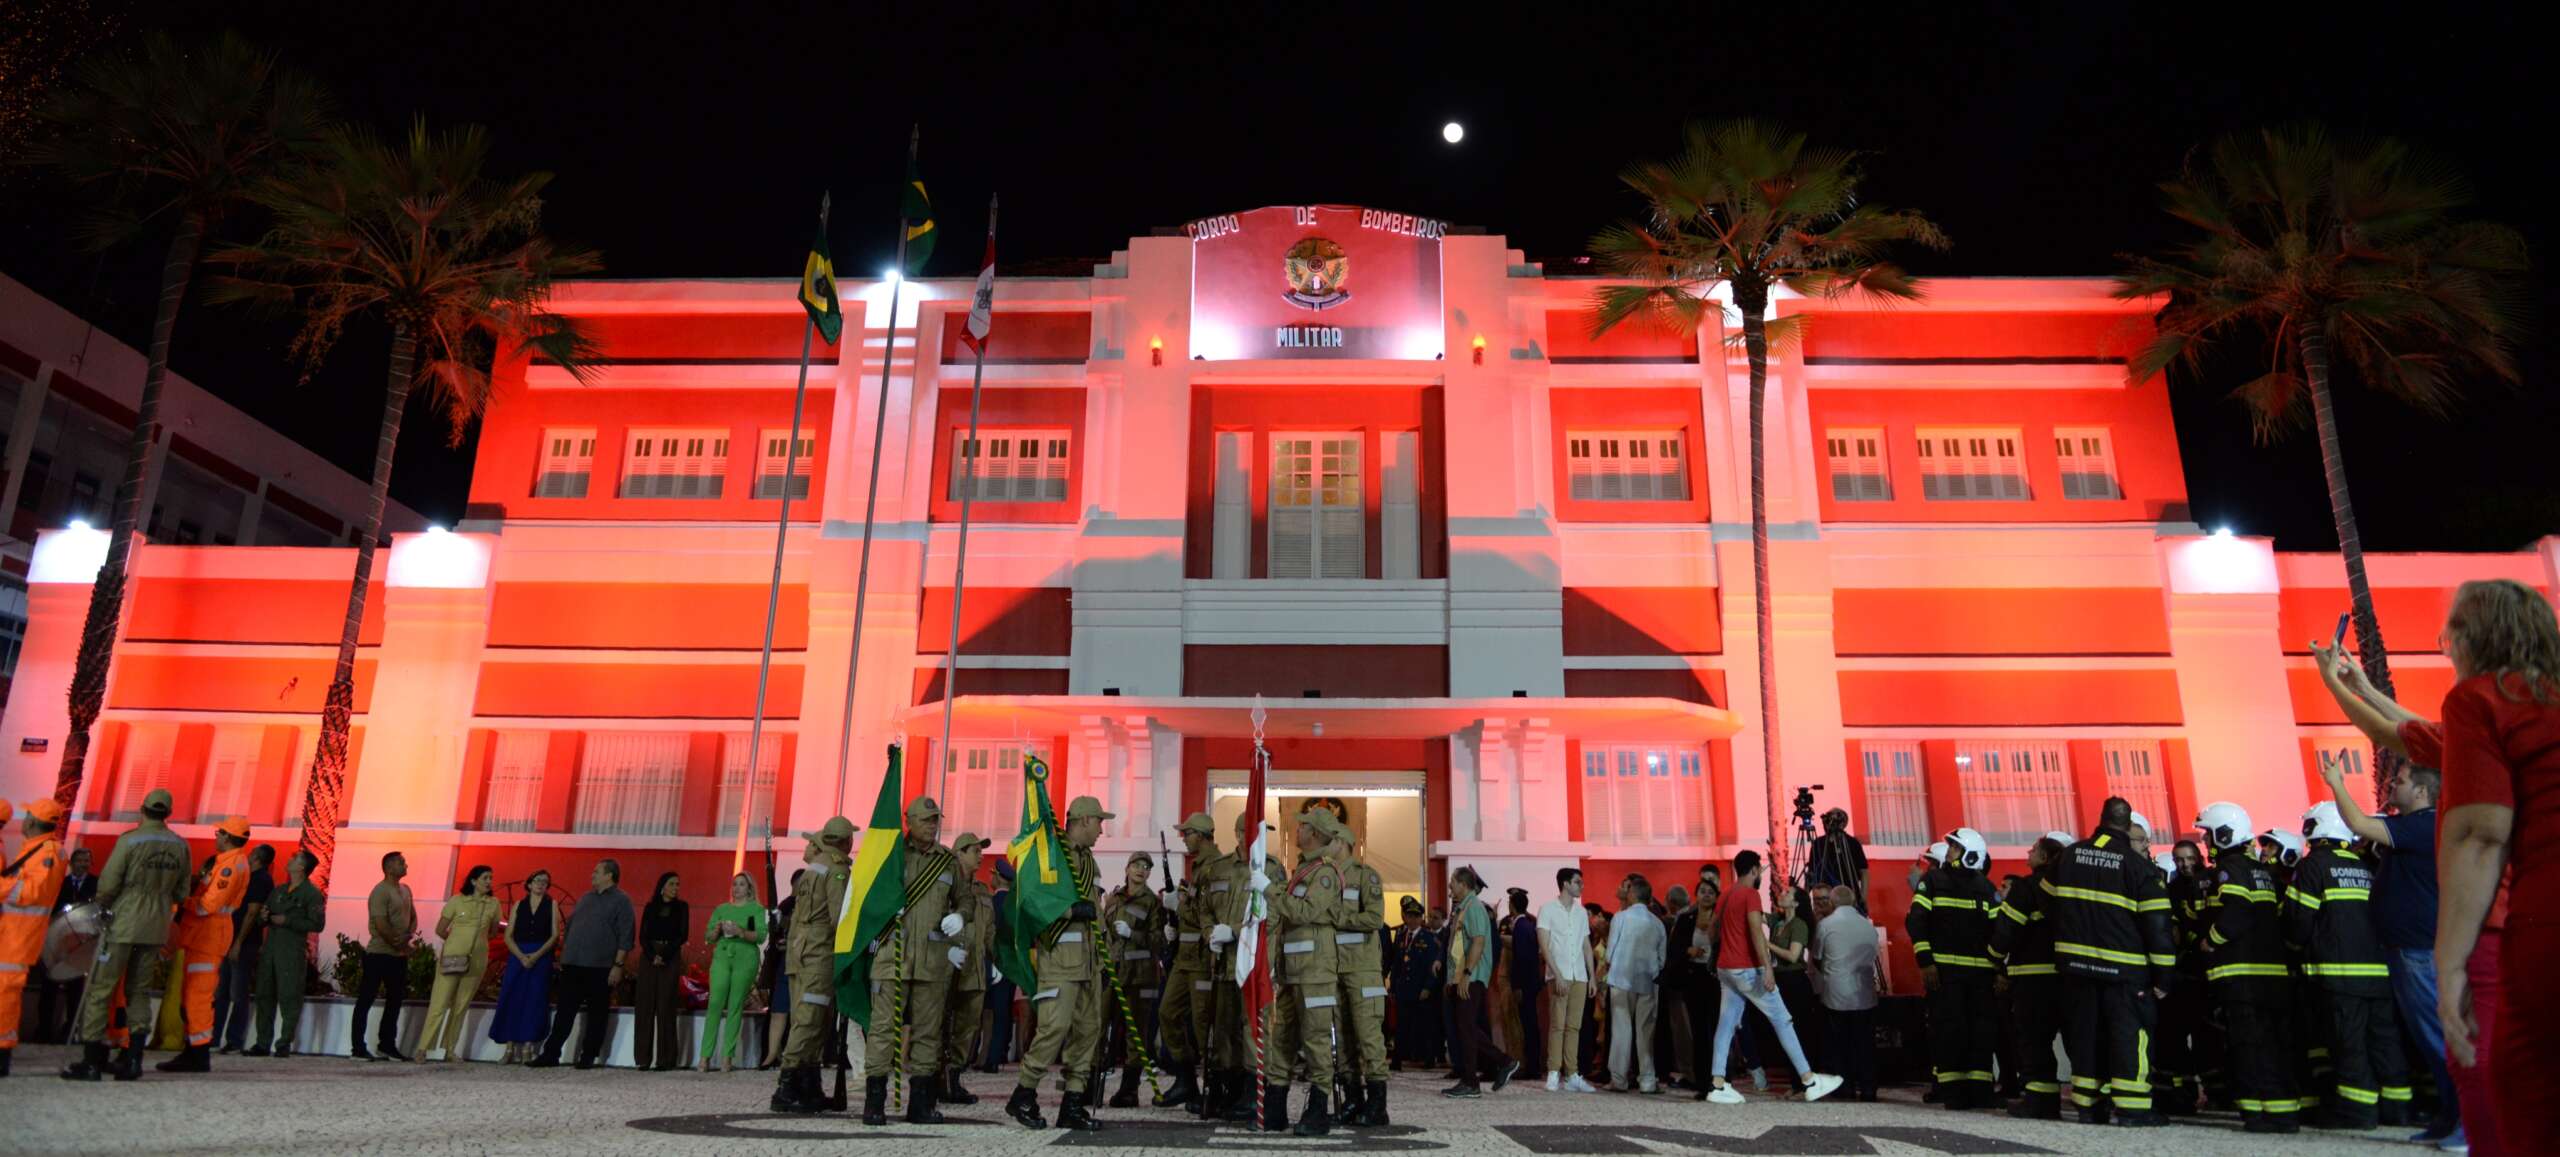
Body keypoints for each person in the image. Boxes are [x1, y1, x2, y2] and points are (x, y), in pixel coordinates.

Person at [2312, 637, 2465, 1148]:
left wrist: (2335, 782)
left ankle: (2465, 1122)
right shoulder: (2425, 818)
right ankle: (2450, 1117)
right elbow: (2412, 729)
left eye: (2399, 777)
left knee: (2438, 1036)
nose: (2392, 782)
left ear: (2423, 789)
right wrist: (2361, 684)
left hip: (2420, 949)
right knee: (2427, 1037)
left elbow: (2361, 820)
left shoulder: (2422, 825)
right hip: (2409, 948)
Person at [2426, 579, 2560, 1155]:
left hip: (2546, 915)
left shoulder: (2481, 697)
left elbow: (2481, 833)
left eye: (2450, 633)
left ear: (2472, 637)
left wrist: (2449, 963)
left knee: (2524, 1089)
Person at [2013, 796, 2172, 1126]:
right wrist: (2163, 976)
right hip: (2124, 970)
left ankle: (2089, 1105)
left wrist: (2068, 926)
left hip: (2077, 969)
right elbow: (2157, 926)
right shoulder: (2137, 866)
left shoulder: (2070, 856)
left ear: (2100, 818)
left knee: (2086, 1035)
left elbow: (2044, 896)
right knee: (2128, 1035)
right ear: (2127, 826)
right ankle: (2133, 1109)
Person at [2288, 801, 2408, 1130]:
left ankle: (2358, 1110)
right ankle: (2397, 1109)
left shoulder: (2313, 866)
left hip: (2338, 976)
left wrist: (2295, 948)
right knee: (2384, 1041)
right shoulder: (2362, 866)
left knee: (2349, 1043)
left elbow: (2299, 921)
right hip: (2377, 974)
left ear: (2315, 828)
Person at [59, 788, 191, 1082]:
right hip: (156, 925)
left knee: (101, 988)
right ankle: (133, 1061)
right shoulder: (180, 846)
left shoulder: (130, 840)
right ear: (167, 814)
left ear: (142, 810)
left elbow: (108, 883)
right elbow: (183, 891)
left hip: (123, 922)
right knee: (139, 991)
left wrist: (101, 908)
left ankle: (91, 1061)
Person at [2189, 803, 2300, 1134]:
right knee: (2272, 1044)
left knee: (2248, 1045)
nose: (2206, 843)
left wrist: (2211, 940)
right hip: (2272, 975)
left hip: (2242, 976)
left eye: (2209, 835)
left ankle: (2259, 1114)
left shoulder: (2231, 869)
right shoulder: (2263, 871)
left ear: (2224, 834)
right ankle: (2281, 1111)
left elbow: (2236, 911)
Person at [1006, 796, 1114, 1133]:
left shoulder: (1088, 860)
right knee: (1053, 1028)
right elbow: (1032, 900)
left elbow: (1097, 911)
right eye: (1098, 822)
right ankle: (1023, 1093)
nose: (1101, 829)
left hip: (1089, 960)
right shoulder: (1052, 855)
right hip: (1060, 959)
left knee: (1088, 1031)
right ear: (1083, 820)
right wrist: (1069, 912)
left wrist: (1106, 956)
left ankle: (1073, 1103)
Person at [1701, 850, 1842, 1105]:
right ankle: (1809, 1080)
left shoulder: (1728, 894)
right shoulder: (1750, 895)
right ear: (1755, 870)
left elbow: (1712, 930)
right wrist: (1767, 967)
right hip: (1746, 969)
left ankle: (1718, 1083)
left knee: (1725, 1025)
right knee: (1783, 1020)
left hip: (1726, 969)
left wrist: (1720, 954)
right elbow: (1756, 931)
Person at [861, 794, 967, 1126]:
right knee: (882, 1031)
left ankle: (921, 1104)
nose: (933, 825)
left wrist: (961, 916)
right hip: (893, 953)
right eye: (926, 819)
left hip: (932, 960)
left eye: (936, 820)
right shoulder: (890, 856)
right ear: (909, 821)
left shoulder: (948, 862)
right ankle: (874, 1102)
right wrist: (883, 908)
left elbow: (964, 899)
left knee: (928, 1033)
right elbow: (865, 896)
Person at [1908, 827, 1999, 1110]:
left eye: (1955, 848)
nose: (1949, 852)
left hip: (1981, 976)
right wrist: (1926, 962)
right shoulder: (1933, 880)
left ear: (1971, 856)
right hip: (1945, 974)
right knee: (1949, 1031)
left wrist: (1999, 970)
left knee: (1981, 1033)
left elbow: (1998, 931)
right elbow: (1917, 922)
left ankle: (1980, 1091)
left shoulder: (1987, 887)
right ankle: (1954, 1093)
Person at [769, 817, 853, 1115]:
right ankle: (787, 1086)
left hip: (802, 952)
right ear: (845, 841)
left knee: (812, 1020)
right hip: (819, 954)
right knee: (810, 1020)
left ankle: (809, 1087)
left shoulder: (813, 869)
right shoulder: (837, 870)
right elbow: (838, 917)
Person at [158, 816, 254, 1072]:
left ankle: (198, 1054)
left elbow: (207, 905)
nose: (216, 837)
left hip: (208, 936)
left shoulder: (230, 866)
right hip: (204, 935)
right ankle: (193, 1051)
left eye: (218, 833)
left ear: (227, 836)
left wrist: (181, 900)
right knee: (192, 994)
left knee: (197, 997)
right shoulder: (227, 863)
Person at [1990, 836, 2068, 1118]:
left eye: (2034, 850)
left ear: (2045, 859)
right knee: (2077, 1040)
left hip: (2032, 979)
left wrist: (1995, 958)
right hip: (2070, 978)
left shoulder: (2026, 887)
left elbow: (2006, 929)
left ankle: (2040, 1102)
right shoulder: (2071, 887)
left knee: (2034, 1041)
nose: (2029, 851)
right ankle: (2093, 1102)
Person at [533, 858, 631, 1070]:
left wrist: (618, 965)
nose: (592, 875)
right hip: (574, 964)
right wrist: (565, 955)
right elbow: (571, 927)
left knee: (597, 1014)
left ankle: (588, 1055)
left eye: (597, 872)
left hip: (601, 967)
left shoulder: (622, 901)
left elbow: (626, 935)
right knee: (564, 1011)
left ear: (609, 875)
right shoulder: (586, 898)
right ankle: (551, 1053)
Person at [1, 797, 68, 1077]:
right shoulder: (38, 849)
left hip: (20, 936)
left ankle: (2, 1051)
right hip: (13, 932)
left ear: (31, 821)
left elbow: (29, 893)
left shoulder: (49, 853)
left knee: (5, 992)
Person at [1333, 828, 1391, 1127]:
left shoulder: (1365, 876)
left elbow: (1374, 919)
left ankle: (1377, 1106)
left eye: (1328, 839)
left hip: (1363, 970)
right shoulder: (1326, 877)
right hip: (1335, 969)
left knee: (1369, 1039)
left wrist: (1340, 920)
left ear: (1342, 842)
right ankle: (1353, 1099)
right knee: (1342, 1041)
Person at [1442, 865, 1515, 1098]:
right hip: (1461, 977)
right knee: (1466, 1028)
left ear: (1463, 885)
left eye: (1453, 882)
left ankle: (1476, 1079)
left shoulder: (1473, 907)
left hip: (1470, 977)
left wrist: (1466, 975)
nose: (1450, 887)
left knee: (1467, 1028)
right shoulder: (1464, 908)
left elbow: (1478, 942)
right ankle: (1487, 1071)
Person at [1100, 847, 1165, 1108]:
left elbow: (1158, 941)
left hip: (1140, 978)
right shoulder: (1114, 899)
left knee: (1135, 1036)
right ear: (1127, 869)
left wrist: (1132, 934)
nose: (1141, 870)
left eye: (1146, 867)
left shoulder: (1152, 902)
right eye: (1136, 865)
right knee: (1098, 1027)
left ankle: (1129, 1091)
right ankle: (1089, 1086)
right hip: (1112, 972)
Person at [415, 864, 499, 1062]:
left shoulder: (493, 903)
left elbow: (494, 931)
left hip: (477, 959)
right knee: (440, 1002)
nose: (489, 882)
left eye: (490, 878)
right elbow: (440, 929)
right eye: (485, 878)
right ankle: (423, 1048)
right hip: (453, 958)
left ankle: (450, 1049)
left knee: (461, 1005)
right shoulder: (457, 900)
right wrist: (456, 942)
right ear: (473, 880)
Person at [247, 849, 324, 1058]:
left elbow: (317, 924)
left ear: (302, 867)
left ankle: (283, 1043)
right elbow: (263, 916)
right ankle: (262, 1042)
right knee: (264, 995)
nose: (289, 860)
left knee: (289, 996)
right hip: (270, 949)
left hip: (291, 952)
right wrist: (264, 916)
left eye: (294, 859)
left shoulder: (311, 894)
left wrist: (288, 921)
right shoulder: (279, 890)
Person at [1815, 884, 1881, 1102]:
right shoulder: (1867, 925)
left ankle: (1845, 1087)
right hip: (1864, 993)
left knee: (1840, 1043)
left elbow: (1817, 957)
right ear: (1853, 902)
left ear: (1832, 903)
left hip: (1836, 994)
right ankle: (1869, 1088)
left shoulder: (1826, 925)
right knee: (1864, 1044)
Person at [937, 834, 991, 1100]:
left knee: (968, 1025)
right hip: (946, 967)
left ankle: (954, 1077)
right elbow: (931, 922)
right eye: (975, 851)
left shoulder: (982, 890)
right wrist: (945, 951)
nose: (980, 856)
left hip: (974, 967)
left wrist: (994, 961)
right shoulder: (944, 885)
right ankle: (936, 1078)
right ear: (959, 852)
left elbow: (989, 929)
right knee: (940, 1024)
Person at [350, 850, 416, 1062]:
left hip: (398, 956)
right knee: (366, 999)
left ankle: (387, 1045)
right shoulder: (380, 891)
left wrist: (408, 938)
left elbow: (412, 917)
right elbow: (380, 923)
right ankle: (358, 1048)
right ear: (388, 868)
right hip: (378, 953)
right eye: (400, 862)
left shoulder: (405, 890)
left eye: (404, 862)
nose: (405, 865)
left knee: (395, 1001)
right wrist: (398, 944)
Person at [1604, 873, 1666, 1094]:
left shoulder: (1620, 918)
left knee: (1621, 1029)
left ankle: (1619, 1079)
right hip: (1648, 982)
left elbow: (1609, 953)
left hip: (1621, 980)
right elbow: (1662, 959)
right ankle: (1647, 1080)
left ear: (1631, 894)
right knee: (1645, 1032)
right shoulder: (1657, 923)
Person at [490, 869, 560, 1064]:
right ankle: (510, 1046)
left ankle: (529, 1045)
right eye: (537, 881)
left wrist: (536, 956)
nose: (540, 884)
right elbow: (508, 935)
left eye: (545, 882)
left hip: (541, 956)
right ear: (529, 884)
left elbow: (554, 935)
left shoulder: (552, 904)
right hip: (517, 955)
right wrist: (521, 956)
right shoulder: (518, 905)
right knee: (513, 998)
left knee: (535, 1000)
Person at [211, 843, 275, 1055]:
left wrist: (238, 942)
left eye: (252, 853)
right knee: (221, 991)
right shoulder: (247, 877)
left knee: (238, 993)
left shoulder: (261, 880)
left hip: (244, 943)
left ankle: (234, 1040)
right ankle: (214, 1036)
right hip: (230, 938)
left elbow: (252, 912)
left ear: (257, 857)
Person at [700, 871, 767, 1072]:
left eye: (741, 884)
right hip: (722, 954)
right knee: (715, 1002)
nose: (737, 888)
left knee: (735, 1004)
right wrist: (717, 930)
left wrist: (741, 932)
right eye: (734, 884)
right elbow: (709, 936)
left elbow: (760, 935)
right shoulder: (722, 909)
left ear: (749, 888)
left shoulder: (755, 909)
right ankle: (705, 1056)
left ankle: (727, 1057)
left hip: (745, 957)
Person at [1537, 867, 1596, 1093]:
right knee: (1557, 1025)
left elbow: (1586, 946)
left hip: (1579, 974)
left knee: (1574, 1026)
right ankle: (1553, 1072)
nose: (1581, 886)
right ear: (1565, 884)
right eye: (1577, 882)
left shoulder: (1581, 913)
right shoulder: (1548, 910)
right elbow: (1544, 944)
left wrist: (1591, 977)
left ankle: (1572, 1074)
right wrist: (1557, 974)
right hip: (1559, 974)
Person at [633, 871, 689, 1071]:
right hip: (649, 956)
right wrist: (652, 955)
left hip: (670, 955)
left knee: (666, 1005)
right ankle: (643, 1058)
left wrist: (664, 956)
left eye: (678, 884)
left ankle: (666, 1058)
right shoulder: (650, 907)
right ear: (662, 886)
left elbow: (682, 935)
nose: (676, 888)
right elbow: (643, 936)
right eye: (672, 884)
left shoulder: (682, 908)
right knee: (645, 1005)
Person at [1767, 884, 1819, 1091]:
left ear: (1796, 903)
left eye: (1788, 893)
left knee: (1799, 1032)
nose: (1782, 893)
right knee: (1786, 1031)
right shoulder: (1777, 922)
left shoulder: (1799, 925)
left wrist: (1766, 944)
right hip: (1781, 981)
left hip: (1795, 982)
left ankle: (1804, 1082)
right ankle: (1796, 1081)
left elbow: (1793, 955)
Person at [1389, 896, 1445, 1072]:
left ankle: (1429, 1058)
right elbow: (1396, 964)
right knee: (1402, 1026)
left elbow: (1432, 966)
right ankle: (1397, 1059)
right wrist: (1392, 985)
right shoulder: (1401, 936)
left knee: (1426, 1025)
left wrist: (1428, 987)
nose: (1412, 920)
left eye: (1416, 916)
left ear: (1421, 918)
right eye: (1409, 916)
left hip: (1421, 989)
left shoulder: (1428, 937)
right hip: (1404, 989)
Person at [759, 880, 794, 1072]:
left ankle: (792, 1056)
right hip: (783, 963)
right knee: (778, 1010)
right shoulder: (786, 905)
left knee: (800, 1015)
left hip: (802, 963)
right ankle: (772, 1054)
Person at [1805, 809, 1869, 907]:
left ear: (1842, 824)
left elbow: (1864, 871)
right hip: (1824, 897)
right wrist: (1806, 898)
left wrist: (1863, 897)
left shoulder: (1852, 843)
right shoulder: (1818, 843)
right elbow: (1811, 872)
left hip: (1847, 894)